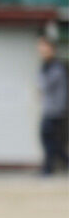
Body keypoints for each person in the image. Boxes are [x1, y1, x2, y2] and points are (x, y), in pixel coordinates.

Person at [37, 33, 67, 176]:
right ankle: (51, 167)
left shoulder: (56, 68)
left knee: (51, 141)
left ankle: (49, 169)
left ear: (51, 49)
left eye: (44, 47)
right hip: (50, 110)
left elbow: (44, 86)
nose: (41, 50)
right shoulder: (46, 66)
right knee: (52, 141)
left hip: (56, 111)